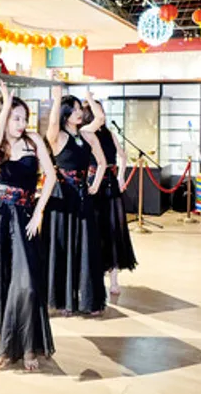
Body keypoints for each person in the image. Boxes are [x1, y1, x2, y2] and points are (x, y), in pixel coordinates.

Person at [0, 80, 56, 372]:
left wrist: (39, 212)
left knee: (28, 284)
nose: (21, 124)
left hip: (25, 217)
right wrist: (5, 104)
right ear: (4, 119)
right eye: (15, 118)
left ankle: (29, 346)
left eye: (23, 118)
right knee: (1, 282)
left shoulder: (35, 141)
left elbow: (51, 178)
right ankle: (7, 349)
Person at [44, 87, 107, 316]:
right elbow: (52, 125)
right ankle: (62, 300)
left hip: (82, 196)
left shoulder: (87, 134)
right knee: (63, 246)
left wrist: (96, 184)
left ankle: (87, 299)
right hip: (62, 197)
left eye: (81, 109)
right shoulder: (58, 136)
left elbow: (102, 162)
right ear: (66, 112)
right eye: (76, 109)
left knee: (86, 246)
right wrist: (57, 99)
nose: (80, 113)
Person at [82, 100, 136, 295]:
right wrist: (120, 176)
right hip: (108, 185)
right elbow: (122, 157)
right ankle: (112, 281)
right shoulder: (98, 134)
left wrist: (120, 176)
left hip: (97, 186)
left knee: (103, 232)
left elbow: (122, 155)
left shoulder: (87, 135)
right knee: (111, 232)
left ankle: (108, 279)